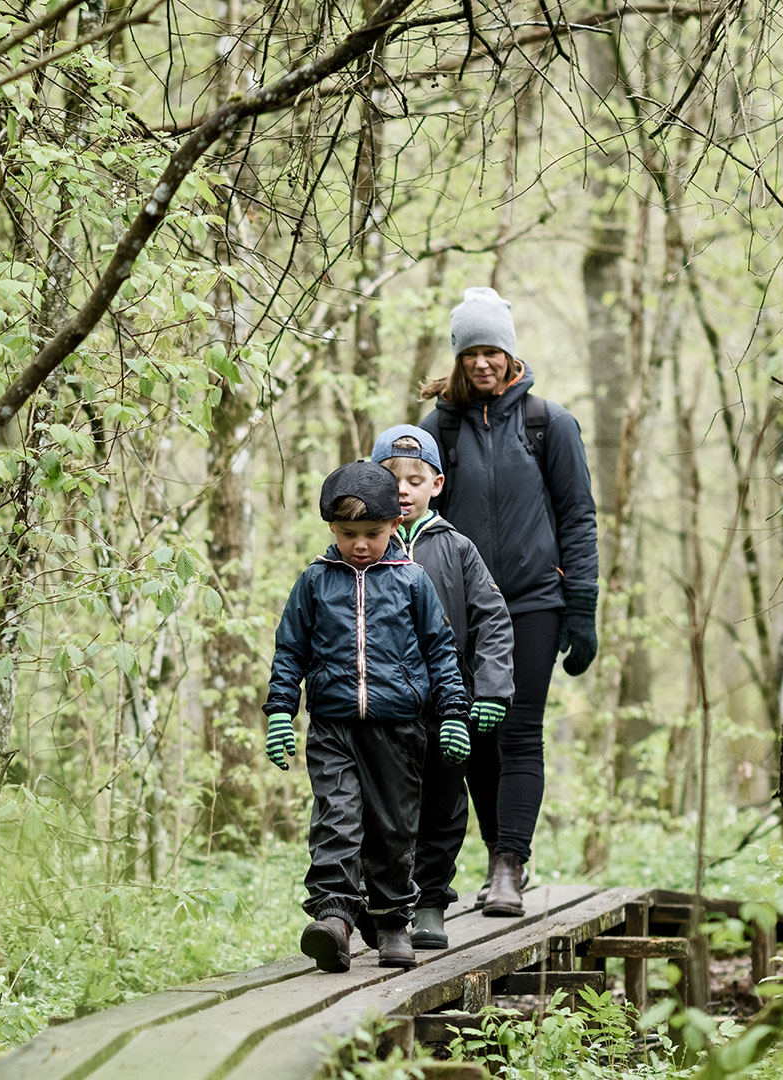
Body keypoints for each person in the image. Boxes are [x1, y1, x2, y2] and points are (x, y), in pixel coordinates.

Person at [419, 286, 599, 918]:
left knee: (519, 732)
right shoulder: (437, 428)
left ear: (510, 353)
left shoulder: (550, 423)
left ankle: (508, 866)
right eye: (472, 353)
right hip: (458, 611)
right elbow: (411, 513)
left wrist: (582, 604)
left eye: (493, 351)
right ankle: (501, 853)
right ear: (460, 357)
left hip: (532, 603)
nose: (483, 364)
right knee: (469, 733)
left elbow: (578, 517)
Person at [263, 461, 472, 973]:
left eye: (372, 534)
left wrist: (452, 714)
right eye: (348, 534)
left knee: (393, 828)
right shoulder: (314, 582)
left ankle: (391, 921)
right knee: (336, 818)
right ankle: (334, 917)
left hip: (398, 728)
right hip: (333, 725)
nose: (360, 544)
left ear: (395, 526)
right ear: (331, 529)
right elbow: (290, 652)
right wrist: (279, 713)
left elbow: (441, 651)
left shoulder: (413, 581)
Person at [370, 425, 514, 950]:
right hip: (381, 711)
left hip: (448, 706)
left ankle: (430, 901)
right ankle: (385, 903)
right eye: (391, 479)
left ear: (437, 485)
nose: (404, 489)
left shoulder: (457, 548)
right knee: (384, 809)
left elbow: (492, 620)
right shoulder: (360, 548)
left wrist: (493, 689)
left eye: (415, 479)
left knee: (443, 805)